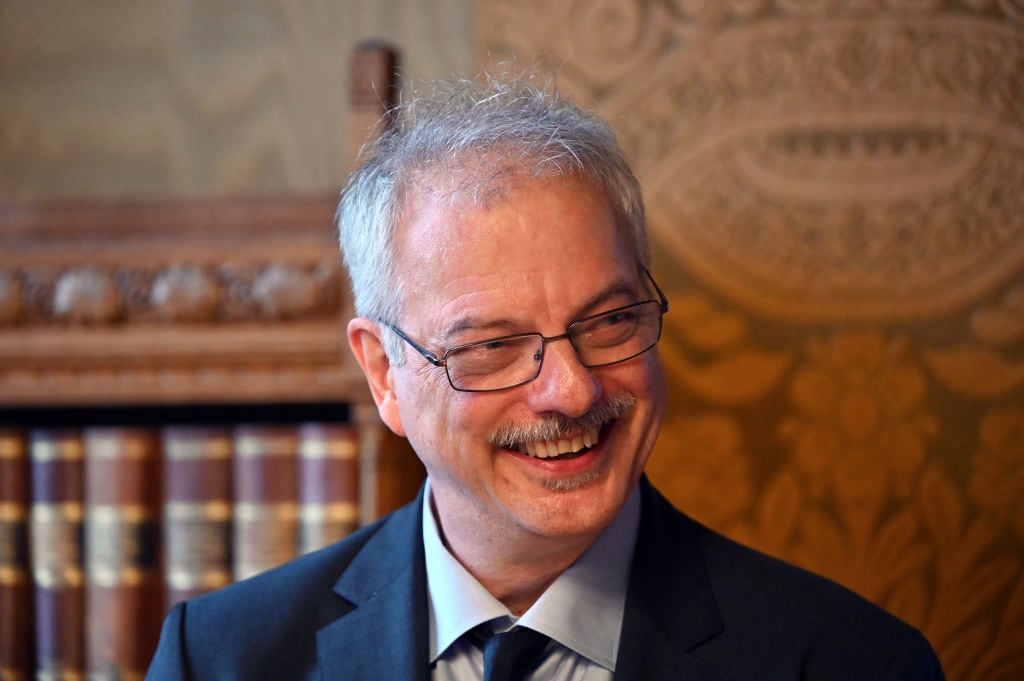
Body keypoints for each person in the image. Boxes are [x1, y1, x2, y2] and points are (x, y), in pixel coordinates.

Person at [145, 73, 945, 680]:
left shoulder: (851, 660)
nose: (571, 391)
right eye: (490, 346)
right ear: (385, 374)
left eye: (608, 322)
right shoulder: (220, 658)